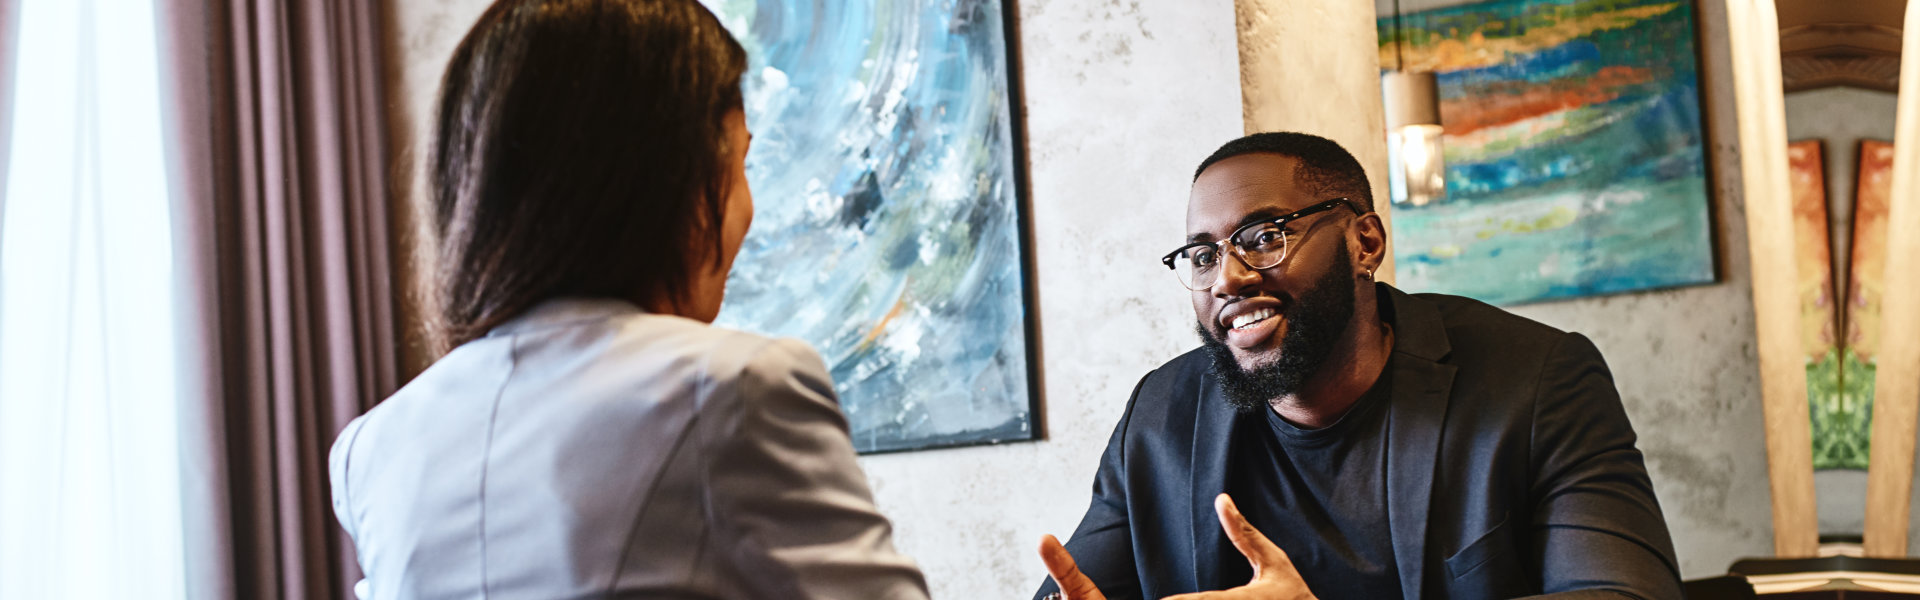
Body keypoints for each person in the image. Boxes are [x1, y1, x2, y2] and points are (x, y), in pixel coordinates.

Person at [326, 1, 928, 598]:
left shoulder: (373, 449)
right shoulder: (733, 387)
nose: (749, 207)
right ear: (670, 176)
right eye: (740, 162)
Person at [1034, 132, 1683, 600]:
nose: (1227, 277)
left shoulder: (1536, 380)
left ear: (1364, 242)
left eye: (1264, 238)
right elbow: (1079, 586)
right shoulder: (1161, 416)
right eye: (1203, 255)